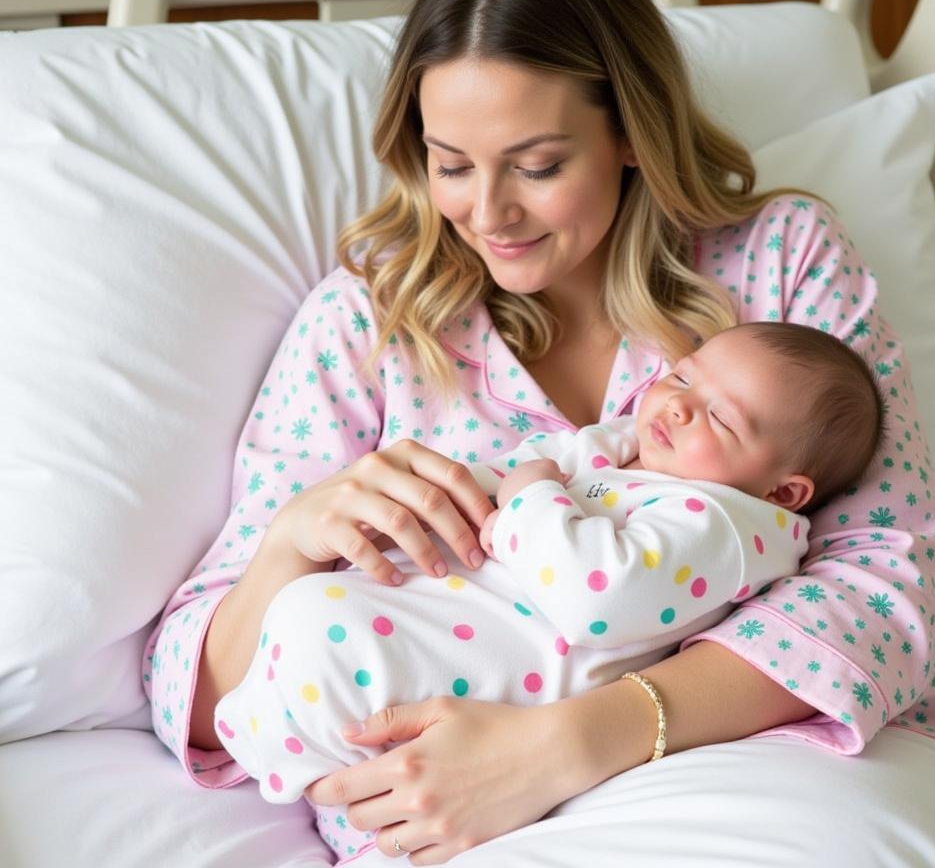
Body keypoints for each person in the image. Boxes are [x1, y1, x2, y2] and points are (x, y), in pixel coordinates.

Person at [142, 0, 935, 866]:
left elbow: (882, 586)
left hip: (767, 755)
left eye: (538, 166)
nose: (488, 212)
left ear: (631, 133)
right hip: (445, 812)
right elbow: (204, 700)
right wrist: (288, 549)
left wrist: (577, 741)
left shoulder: (780, 261)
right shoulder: (369, 325)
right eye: (451, 164)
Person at [209, 321, 884, 834]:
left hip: (523, 663)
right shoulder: (639, 458)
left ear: (785, 493)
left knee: (324, 633)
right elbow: (537, 465)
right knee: (309, 615)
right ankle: (284, 734)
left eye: (720, 417)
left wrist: (530, 496)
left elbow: (597, 595)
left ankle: (296, 740)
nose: (677, 407)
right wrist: (457, 496)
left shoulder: (724, 527)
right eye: (682, 378)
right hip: (454, 626)